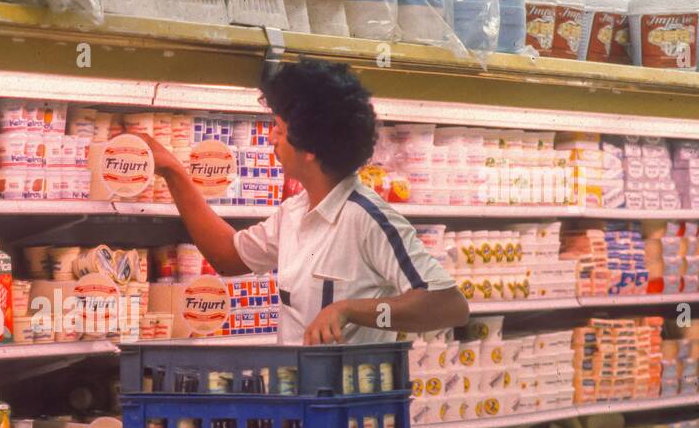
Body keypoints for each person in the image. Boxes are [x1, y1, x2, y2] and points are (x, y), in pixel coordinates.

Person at [136, 59, 469, 345]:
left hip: (347, 412)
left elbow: (447, 306)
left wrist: (352, 310)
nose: (271, 138)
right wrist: (173, 173)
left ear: (309, 150)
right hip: (298, 403)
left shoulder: (366, 219)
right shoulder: (295, 213)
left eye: (279, 131)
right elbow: (228, 257)